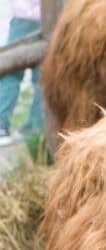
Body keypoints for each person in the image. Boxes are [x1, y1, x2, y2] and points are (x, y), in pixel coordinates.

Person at [0, 0, 43, 146]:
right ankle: (35, 128)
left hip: (23, 15)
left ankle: (1, 125)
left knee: (11, 75)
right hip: (45, 18)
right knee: (41, 79)